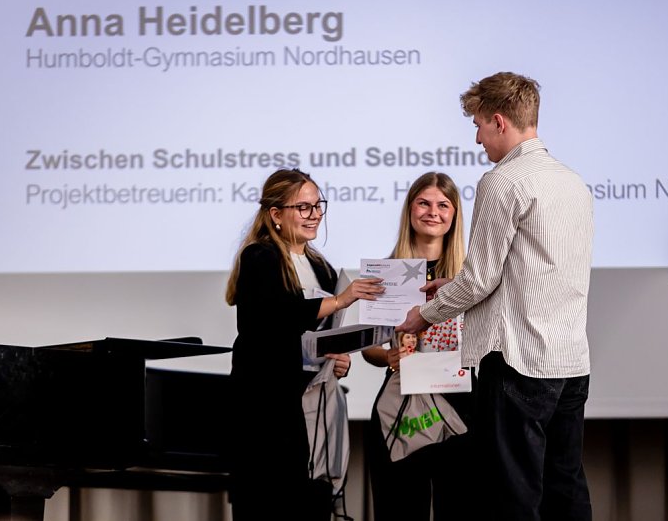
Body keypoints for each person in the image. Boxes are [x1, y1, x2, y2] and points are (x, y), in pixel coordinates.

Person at [396, 72, 595, 521]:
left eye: (479, 125)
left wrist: (424, 315)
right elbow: (534, 269)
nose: (477, 138)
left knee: (513, 496)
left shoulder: (502, 181)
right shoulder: (574, 183)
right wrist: (456, 283)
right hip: (570, 362)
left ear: (499, 121)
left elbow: (479, 281)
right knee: (565, 488)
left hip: (518, 362)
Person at [224, 168, 383, 521]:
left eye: (318, 205)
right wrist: (340, 301)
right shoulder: (259, 257)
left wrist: (337, 359)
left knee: (308, 501)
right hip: (264, 410)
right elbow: (277, 318)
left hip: (308, 408)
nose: (315, 215)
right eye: (303, 207)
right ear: (276, 214)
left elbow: (318, 336)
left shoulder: (321, 266)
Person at [361, 171, 474, 521]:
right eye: (424, 203)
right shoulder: (386, 273)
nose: (433, 212)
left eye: (443, 205)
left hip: (462, 409)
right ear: (410, 209)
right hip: (402, 409)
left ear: (454, 214)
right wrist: (388, 355)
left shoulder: (472, 275)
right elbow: (369, 347)